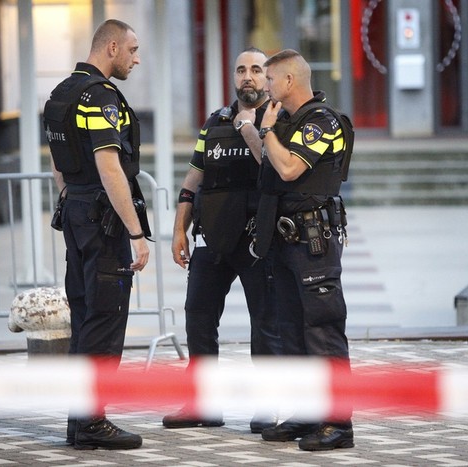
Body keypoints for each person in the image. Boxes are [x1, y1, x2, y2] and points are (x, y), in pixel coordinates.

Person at [162, 48, 283, 433]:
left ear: (268, 77)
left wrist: (250, 128)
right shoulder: (215, 121)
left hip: (256, 240)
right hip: (211, 237)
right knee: (198, 317)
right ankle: (203, 403)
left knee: (264, 323)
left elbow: (277, 169)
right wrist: (179, 227)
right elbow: (193, 179)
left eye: (256, 70)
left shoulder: (279, 119)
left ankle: (267, 404)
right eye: (241, 69)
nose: (248, 76)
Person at [44, 19, 149, 451]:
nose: (136, 59)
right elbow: (110, 167)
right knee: (105, 321)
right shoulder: (99, 96)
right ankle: (93, 422)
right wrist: (136, 232)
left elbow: (59, 164)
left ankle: (79, 420)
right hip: (101, 220)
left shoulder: (61, 93)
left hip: (75, 212)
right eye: (132, 50)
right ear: (110, 48)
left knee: (86, 318)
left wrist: (74, 199)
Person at [252, 49, 355, 451]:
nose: (266, 87)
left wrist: (266, 131)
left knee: (323, 331)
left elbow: (290, 168)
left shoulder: (322, 121)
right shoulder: (289, 122)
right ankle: (310, 414)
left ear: (290, 81)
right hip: (286, 242)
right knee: (292, 333)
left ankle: (338, 424)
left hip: (314, 244)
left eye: (271, 80)